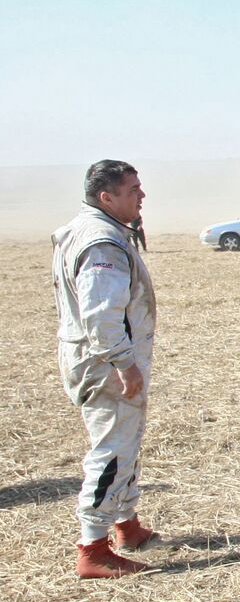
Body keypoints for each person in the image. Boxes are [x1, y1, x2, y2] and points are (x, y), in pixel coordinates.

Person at [51, 160, 160, 578]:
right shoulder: (101, 243)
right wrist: (123, 362)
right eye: (133, 189)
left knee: (125, 441)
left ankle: (125, 524)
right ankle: (93, 547)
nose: (141, 195)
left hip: (104, 358)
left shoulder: (91, 230)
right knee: (112, 448)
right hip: (105, 363)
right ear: (106, 197)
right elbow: (101, 313)